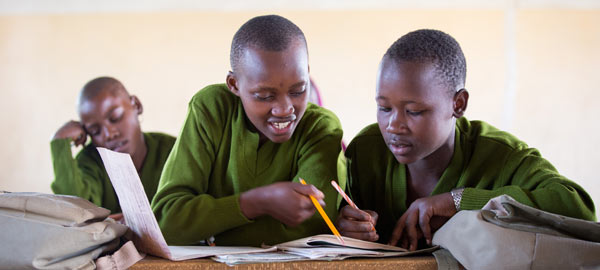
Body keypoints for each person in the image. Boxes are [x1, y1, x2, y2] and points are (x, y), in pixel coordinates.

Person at [336, 29, 596, 251]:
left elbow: (578, 208)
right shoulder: (366, 151)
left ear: (458, 104)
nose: (393, 124)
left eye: (413, 111)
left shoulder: (500, 155)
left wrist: (458, 202)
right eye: (384, 108)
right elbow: (336, 220)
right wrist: (346, 225)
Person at [151, 15, 343, 247]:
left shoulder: (320, 128)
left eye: (298, 90)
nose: (285, 109)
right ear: (234, 84)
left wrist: (208, 229)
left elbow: (312, 232)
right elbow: (167, 221)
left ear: (306, 73)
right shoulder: (211, 108)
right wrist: (257, 202)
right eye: (265, 96)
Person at [51, 77, 176, 216]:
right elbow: (75, 210)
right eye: (95, 130)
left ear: (136, 105)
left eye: (115, 117)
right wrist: (60, 145)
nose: (109, 134)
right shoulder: (91, 161)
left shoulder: (173, 151)